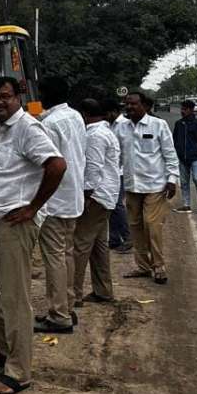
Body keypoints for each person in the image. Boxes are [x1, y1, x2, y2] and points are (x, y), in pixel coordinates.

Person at [0, 76, 67, 394]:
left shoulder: (28, 127)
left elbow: (56, 165)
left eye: (5, 96)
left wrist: (33, 208)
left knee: (15, 298)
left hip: (13, 223)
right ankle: (7, 349)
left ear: (18, 97)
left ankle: (19, 372)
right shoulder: (3, 129)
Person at [33, 76, 87, 335]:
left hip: (55, 199)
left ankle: (58, 315)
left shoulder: (49, 123)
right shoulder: (76, 117)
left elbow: (48, 164)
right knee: (66, 254)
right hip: (73, 196)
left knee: (54, 258)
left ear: (45, 94)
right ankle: (68, 305)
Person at [115, 91, 179, 285]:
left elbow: (169, 153)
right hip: (132, 186)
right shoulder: (120, 128)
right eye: (127, 104)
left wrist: (172, 178)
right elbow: (116, 157)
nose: (129, 107)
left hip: (155, 185)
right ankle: (143, 266)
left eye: (133, 104)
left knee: (152, 226)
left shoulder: (158, 125)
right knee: (135, 227)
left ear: (145, 106)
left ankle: (158, 265)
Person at [72, 98, 120, 305]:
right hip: (106, 195)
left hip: (97, 196)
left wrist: (85, 197)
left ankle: (72, 294)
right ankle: (103, 290)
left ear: (84, 115)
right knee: (98, 246)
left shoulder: (95, 136)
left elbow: (92, 169)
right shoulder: (105, 132)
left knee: (80, 244)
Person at [173, 99, 197, 215]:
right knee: (184, 182)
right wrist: (179, 151)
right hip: (182, 158)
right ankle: (186, 205)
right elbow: (174, 139)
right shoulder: (179, 124)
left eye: (184, 109)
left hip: (195, 158)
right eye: (182, 109)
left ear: (190, 110)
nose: (182, 111)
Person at [103, 98, 131, 253]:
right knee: (111, 205)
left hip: (120, 171)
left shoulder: (124, 125)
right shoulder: (112, 125)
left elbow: (126, 150)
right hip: (112, 170)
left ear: (113, 111)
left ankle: (128, 237)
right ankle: (114, 239)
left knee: (117, 205)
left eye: (107, 113)